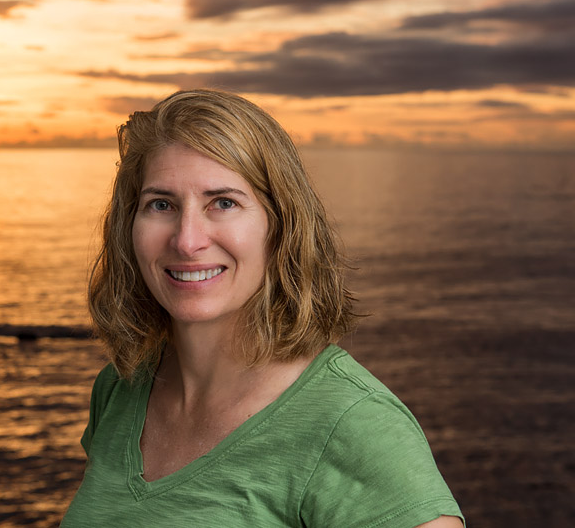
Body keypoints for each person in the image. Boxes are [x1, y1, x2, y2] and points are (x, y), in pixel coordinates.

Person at [61, 89, 464, 527]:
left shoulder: (354, 426)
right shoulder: (121, 389)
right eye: (161, 205)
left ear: (281, 225)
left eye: (224, 203)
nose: (187, 240)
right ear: (129, 225)